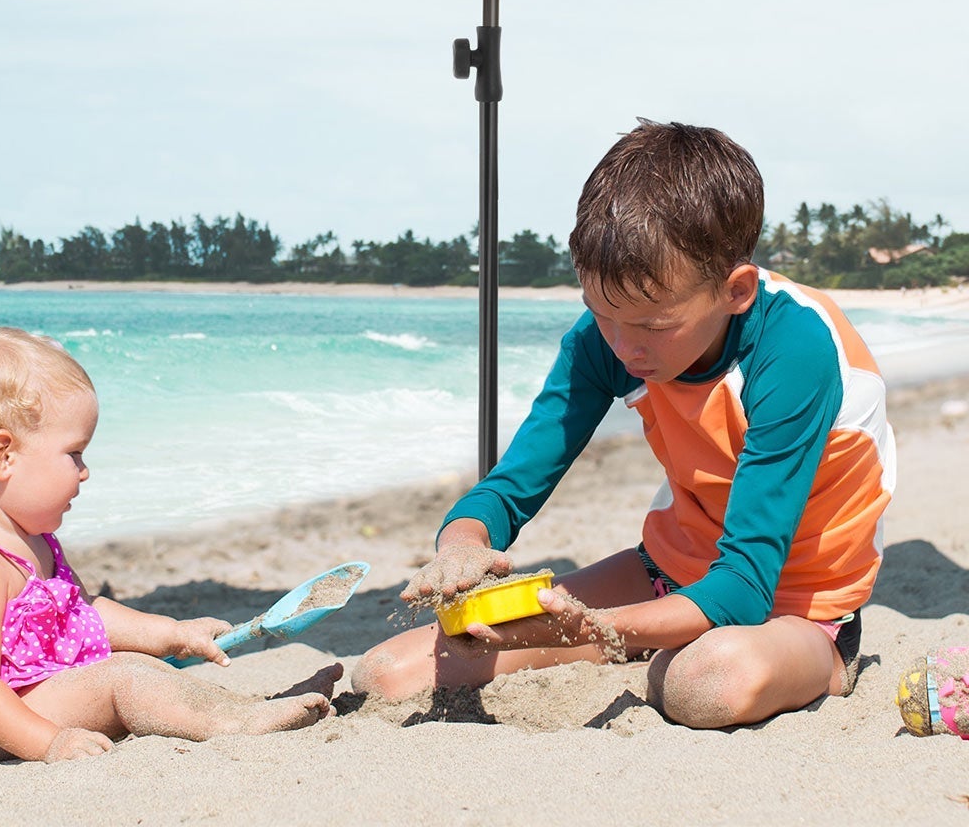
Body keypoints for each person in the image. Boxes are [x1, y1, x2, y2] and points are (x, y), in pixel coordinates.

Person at [352, 121, 895, 728]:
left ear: (735, 290)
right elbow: (511, 487)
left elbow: (744, 585)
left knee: (703, 684)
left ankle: (826, 662)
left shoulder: (794, 351)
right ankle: (648, 635)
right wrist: (462, 547)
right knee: (387, 674)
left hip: (794, 602)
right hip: (669, 572)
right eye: (600, 312)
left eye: (654, 326)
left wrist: (595, 628)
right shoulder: (609, 338)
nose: (623, 346)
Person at [0, 326, 334, 760]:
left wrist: (172, 634)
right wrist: (48, 742)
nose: (84, 472)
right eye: (74, 455)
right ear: (3, 454)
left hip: (39, 693)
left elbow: (83, 614)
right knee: (125, 675)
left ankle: (248, 708)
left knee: (143, 666)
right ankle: (236, 722)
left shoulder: (32, 537)